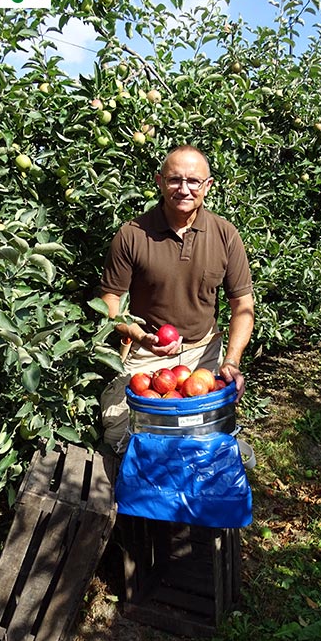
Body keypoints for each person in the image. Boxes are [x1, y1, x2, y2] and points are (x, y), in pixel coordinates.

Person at [99, 144, 254, 454]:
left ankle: (222, 449)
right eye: (174, 180)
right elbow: (109, 301)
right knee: (118, 434)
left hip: (202, 352)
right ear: (159, 182)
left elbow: (243, 306)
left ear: (208, 186)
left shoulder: (225, 234)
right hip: (146, 354)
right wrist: (137, 335)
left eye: (194, 181)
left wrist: (231, 361)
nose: (184, 189)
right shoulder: (132, 234)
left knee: (201, 436)